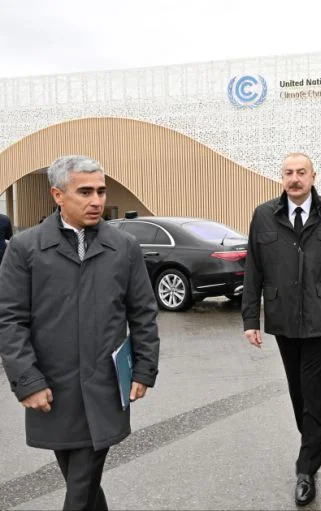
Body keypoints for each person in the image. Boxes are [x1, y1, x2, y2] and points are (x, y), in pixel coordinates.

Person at [0, 155, 160, 511]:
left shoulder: (124, 248)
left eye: (101, 191)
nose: (97, 200)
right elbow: (10, 320)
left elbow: (143, 312)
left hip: (105, 383)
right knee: (80, 478)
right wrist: (27, 380)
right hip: (53, 387)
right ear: (58, 195)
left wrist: (145, 367)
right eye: (85, 191)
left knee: (82, 479)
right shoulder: (25, 249)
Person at [242, 152, 321, 506]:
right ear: (282, 178)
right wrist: (251, 319)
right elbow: (253, 270)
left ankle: (306, 467)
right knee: (297, 392)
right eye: (288, 173)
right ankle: (311, 441)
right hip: (283, 317)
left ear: (313, 176)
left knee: (313, 389)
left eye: (301, 172)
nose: (295, 178)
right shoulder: (264, 215)